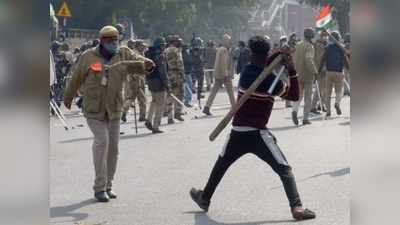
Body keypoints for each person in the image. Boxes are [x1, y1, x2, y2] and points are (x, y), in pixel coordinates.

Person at [189, 36, 316, 221]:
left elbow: (267, 62)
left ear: (251, 54)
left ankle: (205, 198)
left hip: (238, 132)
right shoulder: (272, 82)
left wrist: (281, 53)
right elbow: (295, 95)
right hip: (258, 133)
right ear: (266, 55)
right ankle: (297, 207)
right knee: (285, 169)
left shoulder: (247, 72)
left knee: (221, 165)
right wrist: (291, 68)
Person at [63, 25, 155, 202]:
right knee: (102, 141)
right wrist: (68, 97)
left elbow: (138, 62)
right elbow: (76, 77)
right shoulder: (88, 56)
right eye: (110, 40)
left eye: (116, 40)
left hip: (114, 108)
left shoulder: (123, 53)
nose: (114, 43)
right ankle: (99, 188)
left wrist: (147, 64)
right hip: (94, 109)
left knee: (113, 148)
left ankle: (108, 184)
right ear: (102, 41)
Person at [202, 34, 236, 115]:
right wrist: (226, 74)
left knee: (213, 91)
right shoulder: (224, 50)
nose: (230, 42)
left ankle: (207, 107)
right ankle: (235, 107)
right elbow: (223, 63)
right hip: (224, 75)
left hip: (218, 74)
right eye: (229, 41)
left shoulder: (221, 49)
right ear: (226, 41)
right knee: (230, 92)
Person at [318, 31, 349, 117]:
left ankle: (328, 112)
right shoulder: (341, 48)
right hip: (339, 72)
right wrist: (349, 69)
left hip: (329, 72)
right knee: (339, 91)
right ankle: (337, 103)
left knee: (328, 93)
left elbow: (323, 59)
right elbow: (345, 60)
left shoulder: (327, 47)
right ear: (338, 38)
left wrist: (319, 70)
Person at [292, 28, 318, 125]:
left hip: (298, 73)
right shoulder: (310, 46)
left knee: (299, 95)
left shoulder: (298, 45)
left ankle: (294, 110)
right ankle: (305, 119)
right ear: (311, 36)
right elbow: (308, 59)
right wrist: (315, 71)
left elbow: (294, 59)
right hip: (308, 75)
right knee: (308, 98)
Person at [145, 37, 170, 133]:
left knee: (154, 101)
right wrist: (167, 84)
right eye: (163, 45)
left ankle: (148, 120)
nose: (164, 47)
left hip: (150, 80)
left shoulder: (148, 53)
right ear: (160, 46)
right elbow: (162, 71)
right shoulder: (160, 55)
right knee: (160, 104)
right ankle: (156, 126)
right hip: (159, 81)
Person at [121, 39, 148, 122]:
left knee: (131, 97)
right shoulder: (135, 54)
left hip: (138, 78)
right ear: (137, 46)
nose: (143, 47)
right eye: (142, 46)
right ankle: (142, 116)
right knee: (142, 99)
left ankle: (124, 112)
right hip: (137, 78)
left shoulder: (139, 53)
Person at [165, 35, 185, 123]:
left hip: (168, 74)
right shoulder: (177, 50)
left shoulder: (165, 50)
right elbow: (180, 64)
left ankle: (170, 117)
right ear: (174, 42)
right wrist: (182, 75)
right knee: (180, 93)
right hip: (176, 74)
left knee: (170, 95)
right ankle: (178, 113)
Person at [311, 30, 329, 114]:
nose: (325, 37)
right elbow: (317, 58)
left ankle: (321, 105)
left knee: (324, 89)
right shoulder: (318, 45)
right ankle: (313, 106)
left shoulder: (323, 44)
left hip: (323, 69)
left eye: (325, 36)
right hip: (320, 69)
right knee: (319, 89)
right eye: (324, 36)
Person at [190, 37, 206, 104]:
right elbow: (200, 59)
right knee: (199, 84)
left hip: (194, 69)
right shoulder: (199, 50)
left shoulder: (191, 50)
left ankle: (198, 95)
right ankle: (198, 96)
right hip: (198, 69)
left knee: (194, 83)